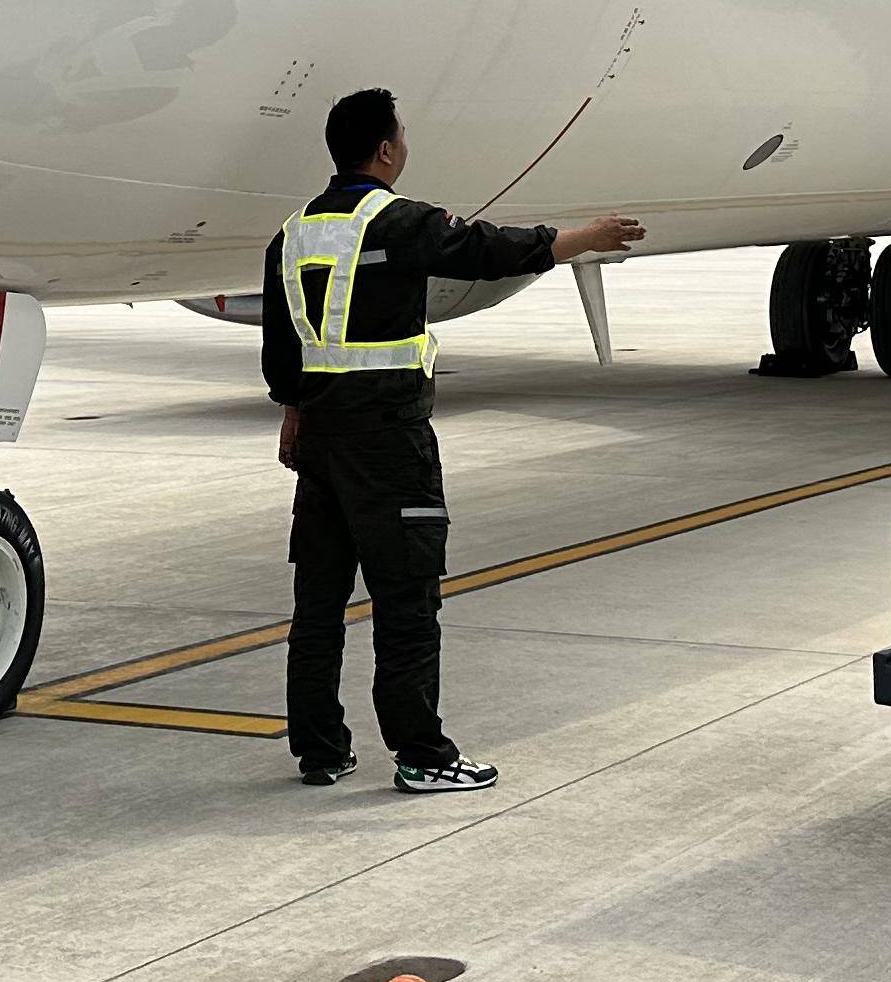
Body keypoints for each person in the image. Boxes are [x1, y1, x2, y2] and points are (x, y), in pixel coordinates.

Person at [262, 87, 641, 794]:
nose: (404, 147)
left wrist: (294, 413)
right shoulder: (401, 222)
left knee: (318, 605)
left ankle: (320, 749)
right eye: (400, 138)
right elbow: (485, 251)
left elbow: (284, 353)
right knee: (406, 601)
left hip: (321, 445)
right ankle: (422, 756)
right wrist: (582, 239)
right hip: (389, 444)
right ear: (383, 150)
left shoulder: (291, 235)